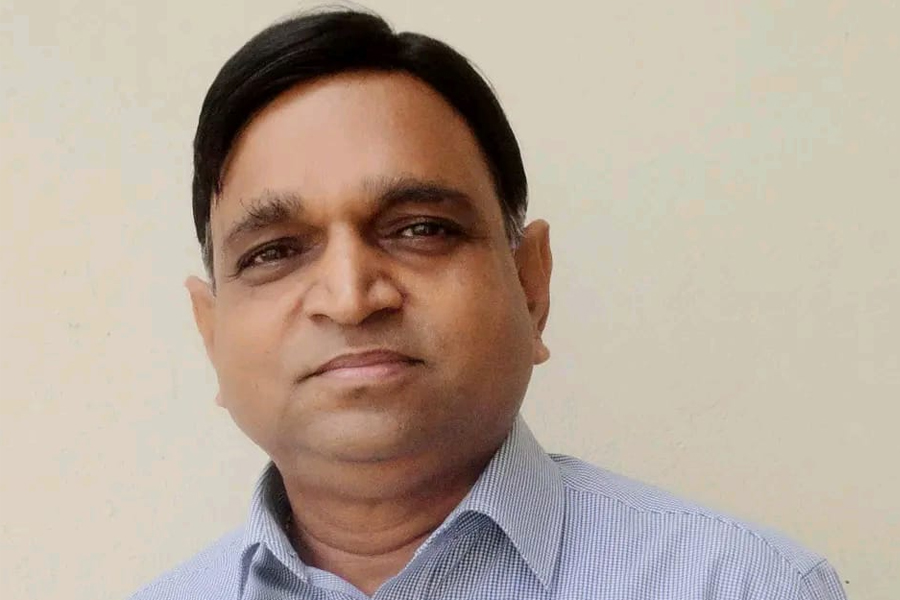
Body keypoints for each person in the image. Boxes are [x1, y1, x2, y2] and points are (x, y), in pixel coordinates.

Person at [130, 7, 847, 600]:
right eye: (275, 251)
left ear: (531, 285)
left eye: (421, 229)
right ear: (210, 334)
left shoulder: (745, 585)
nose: (349, 299)